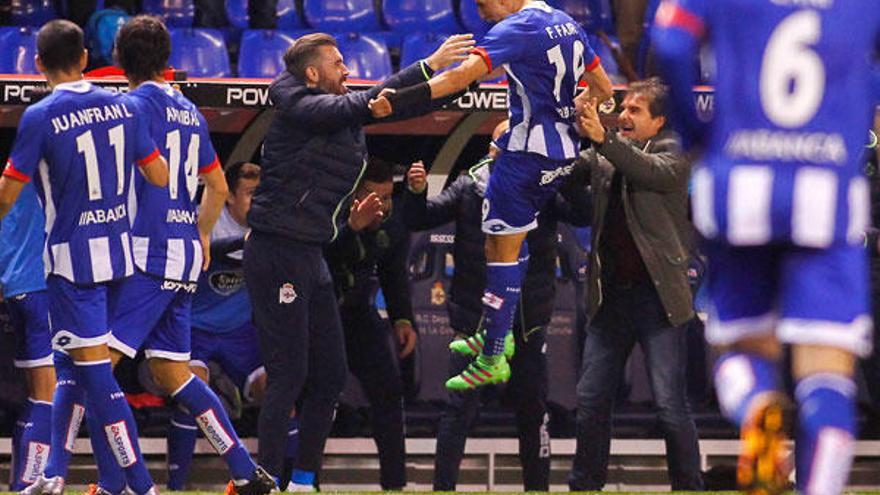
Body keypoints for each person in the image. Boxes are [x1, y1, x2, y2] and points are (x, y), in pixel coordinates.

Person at [653, 1, 880, 493]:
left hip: (741, 185)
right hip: (828, 190)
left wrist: (697, 132)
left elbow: (670, 40)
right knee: (828, 372)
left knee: (743, 349)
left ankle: (758, 408)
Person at [242, 32, 475, 490]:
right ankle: (265, 480)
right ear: (312, 73)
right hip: (275, 250)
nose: (347, 70)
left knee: (328, 375)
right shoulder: (298, 103)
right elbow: (357, 106)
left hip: (311, 254)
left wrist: (456, 79)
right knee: (289, 375)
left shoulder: (344, 108)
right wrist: (425, 65)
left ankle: (304, 482)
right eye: (337, 63)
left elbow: (390, 104)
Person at [382, 0, 612, 390]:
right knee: (503, 242)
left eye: (482, 4)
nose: (481, 13)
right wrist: (576, 112)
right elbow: (605, 88)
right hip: (560, 153)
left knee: (501, 252)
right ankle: (495, 329)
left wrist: (399, 100)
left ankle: (492, 355)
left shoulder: (515, 30)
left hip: (525, 157)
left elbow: (458, 80)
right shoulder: (567, 23)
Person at [102, 16, 275, 495]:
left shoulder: (128, 106)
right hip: (181, 254)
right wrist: (199, 236)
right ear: (166, 59)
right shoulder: (190, 112)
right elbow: (217, 186)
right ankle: (243, 471)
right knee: (171, 372)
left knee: (94, 366)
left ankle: (121, 483)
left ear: (120, 60)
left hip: (145, 252)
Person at [0, 19, 169, 495]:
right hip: (120, 256)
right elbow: (156, 175)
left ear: (38, 65)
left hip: (72, 264)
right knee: (68, 367)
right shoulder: (122, 106)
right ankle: (53, 474)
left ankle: (139, 484)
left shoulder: (42, 116)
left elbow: (7, 196)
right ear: (85, 60)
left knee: (93, 376)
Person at [403, 120, 591, 491]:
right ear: (492, 149)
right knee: (458, 410)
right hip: (477, 319)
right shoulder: (470, 185)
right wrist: (416, 192)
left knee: (533, 413)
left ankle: (536, 488)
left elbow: (583, 213)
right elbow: (420, 217)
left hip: (528, 321)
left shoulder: (545, 184)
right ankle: (443, 489)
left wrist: (565, 172)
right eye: (503, 142)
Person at [568, 78, 703, 491]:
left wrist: (602, 138)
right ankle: (585, 486)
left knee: (669, 406)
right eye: (622, 108)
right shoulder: (609, 153)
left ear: (660, 120)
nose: (623, 116)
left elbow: (647, 171)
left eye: (635, 111)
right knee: (590, 401)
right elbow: (570, 171)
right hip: (611, 298)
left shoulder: (676, 152)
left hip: (658, 300)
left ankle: (688, 487)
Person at [166, 161, 293, 490]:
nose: (259, 201)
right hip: (195, 329)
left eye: (262, 193)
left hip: (240, 332)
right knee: (189, 392)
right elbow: (197, 251)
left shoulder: (270, 225)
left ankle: (282, 482)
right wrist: (244, 245)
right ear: (229, 198)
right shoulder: (205, 219)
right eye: (251, 193)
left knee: (279, 391)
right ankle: (176, 485)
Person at [323, 157, 416, 491]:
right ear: (354, 196)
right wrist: (353, 228)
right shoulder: (330, 213)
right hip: (321, 315)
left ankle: (395, 484)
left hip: (360, 316)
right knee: (317, 396)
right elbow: (322, 257)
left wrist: (402, 318)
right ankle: (302, 481)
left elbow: (394, 276)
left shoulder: (392, 224)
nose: (381, 205)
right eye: (372, 196)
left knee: (390, 391)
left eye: (387, 196)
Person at [0, 183, 54, 491]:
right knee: (47, 395)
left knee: (34, 396)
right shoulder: (47, 180)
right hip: (40, 285)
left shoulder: (9, 185)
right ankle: (29, 482)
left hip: (15, 290)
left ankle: (19, 481)